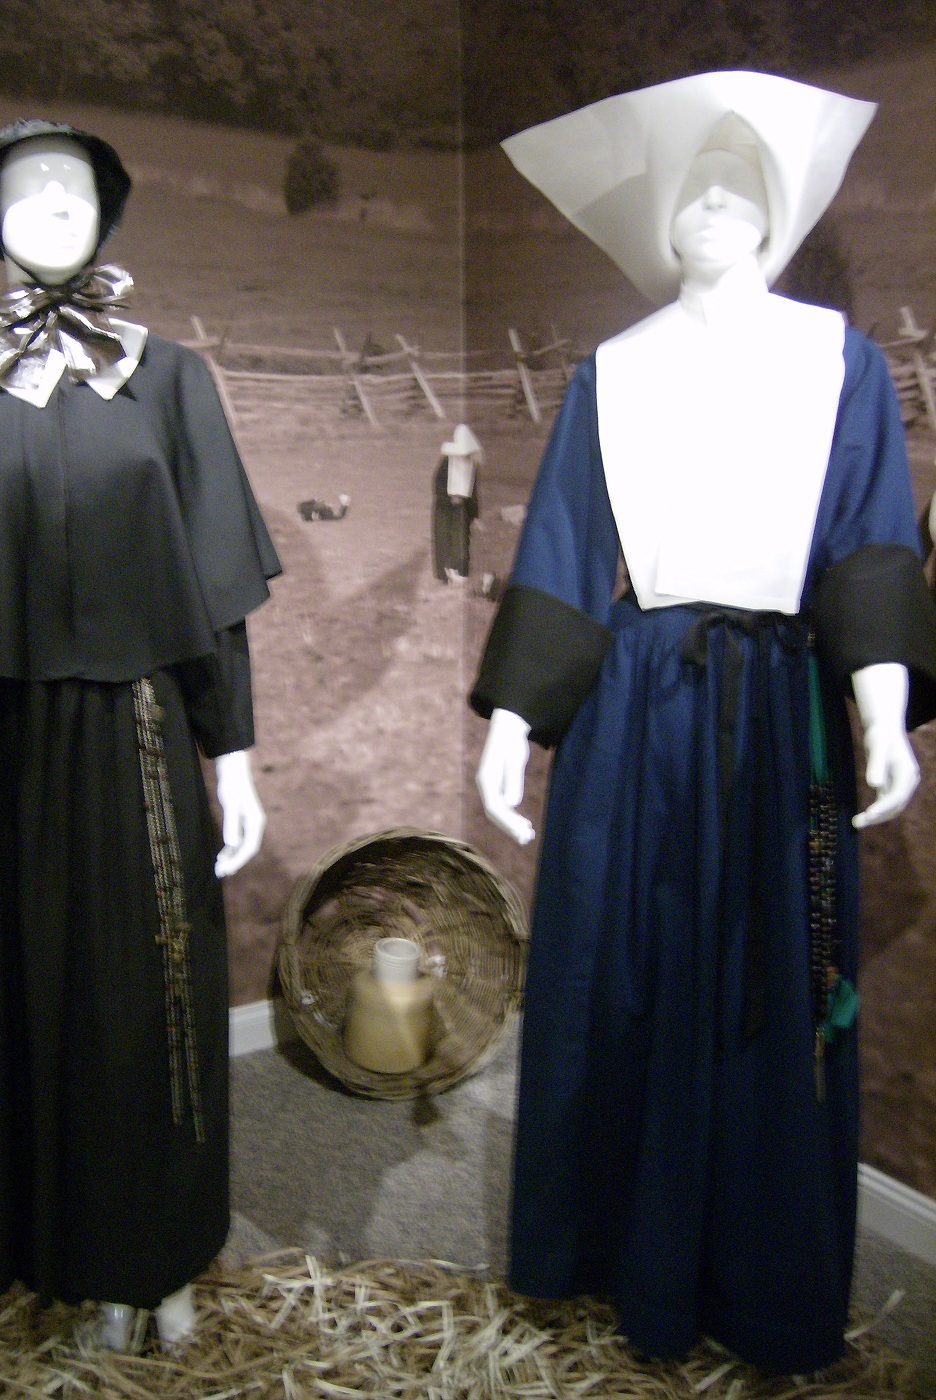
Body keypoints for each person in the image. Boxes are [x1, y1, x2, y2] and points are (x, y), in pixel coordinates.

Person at [471, 73, 936, 1373]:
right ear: (660, 215)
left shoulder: (836, 361)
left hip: (779, 708)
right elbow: (564, 550)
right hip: (636, 708)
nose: (718, 202)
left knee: (768, 981)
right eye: (696, 184)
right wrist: (512, 724)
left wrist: (880, 708)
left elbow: (869, 542)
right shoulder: (612, 371)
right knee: (622, 969)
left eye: (744, 183)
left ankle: (762, 1280)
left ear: (781, 211)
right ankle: (618, 1252)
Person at [0, 120, 280, 1346]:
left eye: (76, 187)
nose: (54, 201)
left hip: (135, 735)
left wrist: (233, 751)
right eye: (26, 185)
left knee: (146, 989)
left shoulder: (170, 378)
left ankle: (152, 1250)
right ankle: (27, 1238)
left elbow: (214, 592)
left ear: (109, 215)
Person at [432, 424, 481, 582]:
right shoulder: (446, 463)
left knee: (461, 539)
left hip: (462, 509)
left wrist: (475, 515)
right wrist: (449, 498)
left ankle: (460, 571)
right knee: (444, 539)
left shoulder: (472, 466)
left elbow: (473, 491)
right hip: (444, 508)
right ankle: (445, 573)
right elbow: (438, 484)